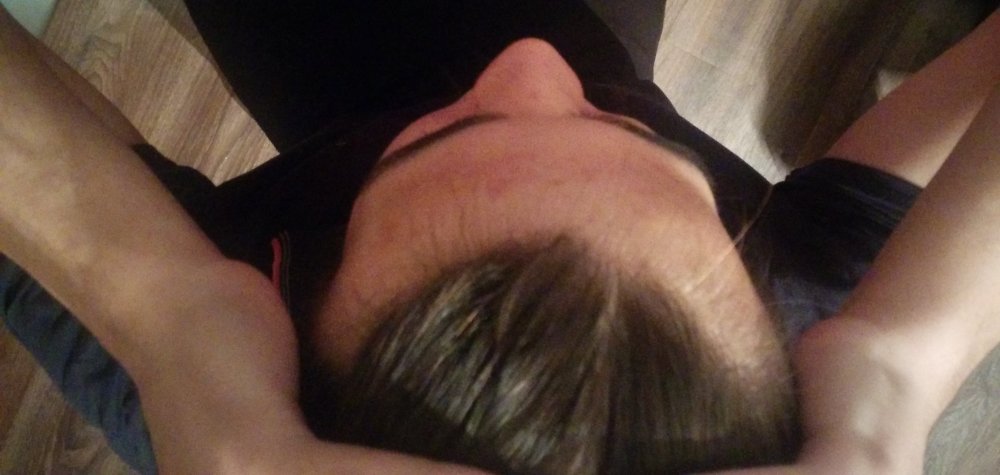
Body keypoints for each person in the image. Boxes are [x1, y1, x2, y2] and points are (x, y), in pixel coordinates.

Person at [1, 1, 998, 473]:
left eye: (445, 136)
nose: (532, 65)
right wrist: (903, 360)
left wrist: (166, 307)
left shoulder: (199, 387)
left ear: (283, 296)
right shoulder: (820, 316)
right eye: (633, 139)